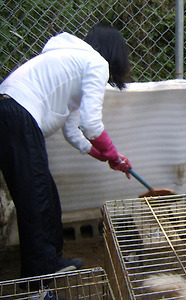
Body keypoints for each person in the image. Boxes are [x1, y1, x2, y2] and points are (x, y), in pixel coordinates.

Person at [0, 23, 132, 283]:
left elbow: (74, 131)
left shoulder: (72, 64)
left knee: (46, 197)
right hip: (17, 115)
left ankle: (52, 260)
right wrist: (115, 156)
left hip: (12, 117)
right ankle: (37, 282)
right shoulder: (94, 63)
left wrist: (106, 158)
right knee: (35, 203)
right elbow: (93, 125)